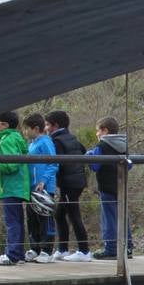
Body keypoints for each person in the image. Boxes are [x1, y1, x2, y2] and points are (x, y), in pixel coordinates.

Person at [45, 109, 92, 262]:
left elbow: (57, 161)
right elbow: (83, 150)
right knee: (59, 215)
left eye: (47, 125)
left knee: (73, 215)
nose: (45, 128)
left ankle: (84, 251)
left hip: (68, 182)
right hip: (77, 181)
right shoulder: (71, 137)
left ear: (55, 125)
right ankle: (63, 249)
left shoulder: (57, 141)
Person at [87, 116, 134, 260]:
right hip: (121, 185)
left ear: (105, 131)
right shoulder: (123, 145)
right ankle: (128, 247)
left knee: (109, 218)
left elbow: (94, 166)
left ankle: (112, 248)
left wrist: (89, 155)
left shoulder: (101, 147)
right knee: (122, 216)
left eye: (98, 131)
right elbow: (130, 165)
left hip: (107, 187)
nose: (97, 134)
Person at [0, 111, 29, 266]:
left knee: (12, 221)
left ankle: (12, 255)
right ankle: (18, 254)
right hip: (18, 185)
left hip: (10, 186)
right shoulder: (17, 138)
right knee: (17, 220)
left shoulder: (7, 140)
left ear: (5, 125)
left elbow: (11, 164)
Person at [23, 113, 58, 263]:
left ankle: (47, 250)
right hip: (31, 187)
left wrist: (44, 180)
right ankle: (35, 248)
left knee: (45, 218)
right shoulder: (32, 143)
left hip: (44, 188)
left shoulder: (45, 142)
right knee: (32, 218)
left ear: (36, 128)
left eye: (26, 129)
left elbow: (53, 163)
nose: (25, 132)